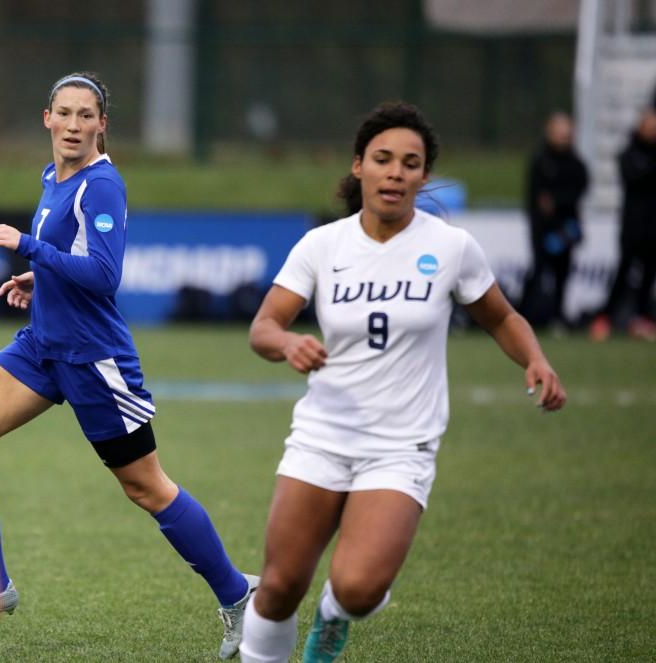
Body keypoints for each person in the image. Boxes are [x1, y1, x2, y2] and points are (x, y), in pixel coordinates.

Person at [0, 71, 257, 660]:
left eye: (88, 115)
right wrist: (40, 281)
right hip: (40, 346)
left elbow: (106, 276)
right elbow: (73, 261)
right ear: (47, 118)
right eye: (65, 113)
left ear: (102, 125)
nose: (75, 125)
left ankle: (238, 597)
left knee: (147, 488)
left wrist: (28, 248)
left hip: (93, 361)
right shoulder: (51, 177)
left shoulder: (100, 186)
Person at [238, 102, 567, 663]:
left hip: (400, 447)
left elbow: (502, 317)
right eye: (383, 159)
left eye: (410, 163)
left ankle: (336, 614)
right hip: (322, 436)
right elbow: (264, 327)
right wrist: (289, 343)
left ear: (424, 176)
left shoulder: (450, 247)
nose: (396, 172)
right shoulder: (324, 246)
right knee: (278, 587)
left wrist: (534, 359)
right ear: (359, 166)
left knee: (359, 589)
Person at [589, 107, 656, 342]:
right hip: (632, 226)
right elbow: (636, 178)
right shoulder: (629, 153)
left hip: (653, 227)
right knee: (624, 271)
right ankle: (604, 318)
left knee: (649, 274)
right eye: (649, 125)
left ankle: (643, 320)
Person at [519, 111, 588, 330]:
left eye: (566, 134)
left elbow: (577, 192)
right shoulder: (540, 161)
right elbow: (535, 199)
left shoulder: (577, 164)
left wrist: (556, 202)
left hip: (566, 228)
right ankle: (522, 315)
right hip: (542, 228)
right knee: (538, 270)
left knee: (563, 273)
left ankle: (557, 316)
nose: (563, 138)